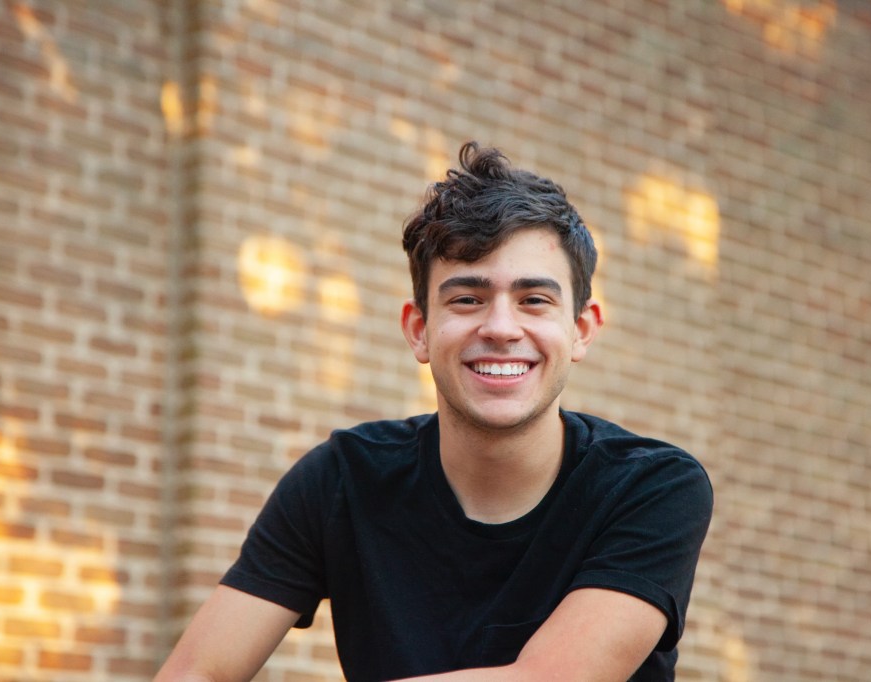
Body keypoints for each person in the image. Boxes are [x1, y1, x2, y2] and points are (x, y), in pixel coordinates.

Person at [155, 142, 713, 682]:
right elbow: (196, 671)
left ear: (581, 330)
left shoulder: (652, 487)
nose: (501, 327)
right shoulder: (340, 480)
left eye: (534, 300)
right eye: (467, 299)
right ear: (419, 330)